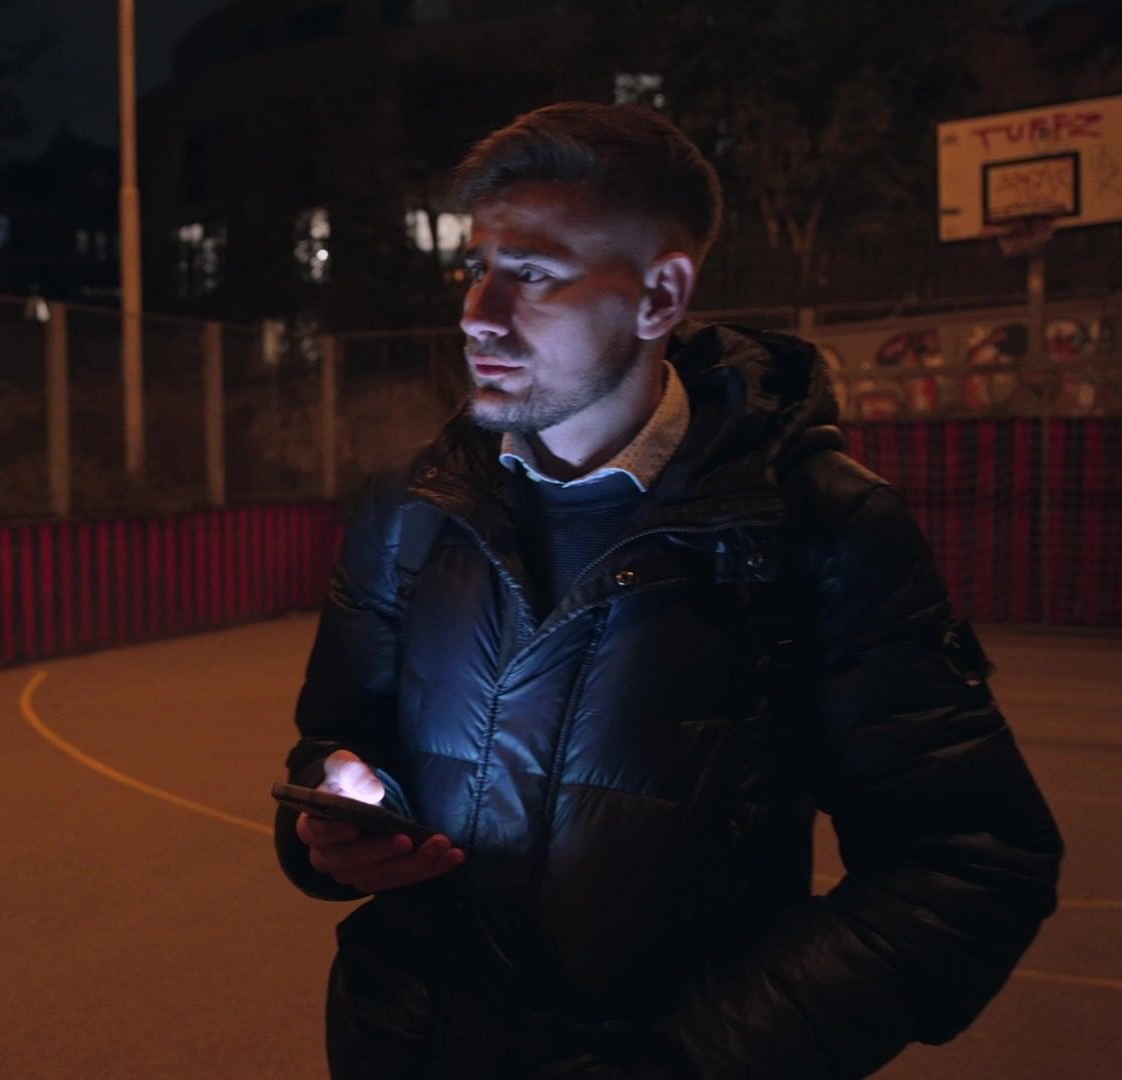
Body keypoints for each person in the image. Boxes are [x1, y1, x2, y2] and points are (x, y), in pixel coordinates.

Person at [274, 102, 1062, 1078]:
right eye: (477, 268)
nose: (477, 312)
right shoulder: (408, 506)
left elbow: (969, 862)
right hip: (402, 1048)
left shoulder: (819, 527)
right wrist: (332, 827)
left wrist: (693, 1060)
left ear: (659, 295)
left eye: (532, 274)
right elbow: (333, 744)